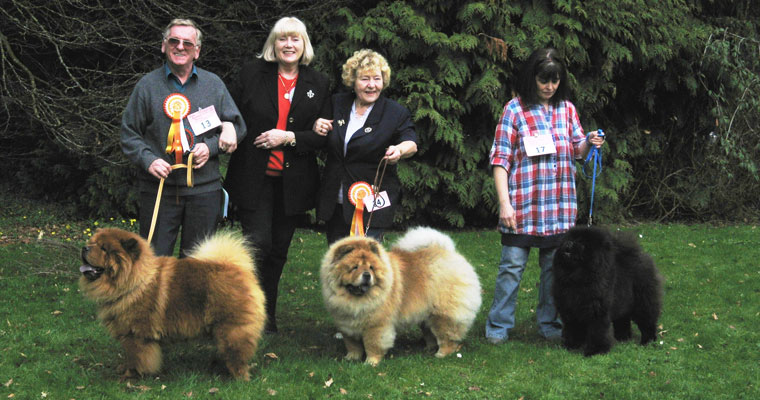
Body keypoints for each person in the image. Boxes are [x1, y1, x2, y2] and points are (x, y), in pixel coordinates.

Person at [485, 47, 606, 344]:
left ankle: (549, 323)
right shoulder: (514, 109)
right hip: (523, 206)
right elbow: (500, 160)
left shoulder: (567, 109)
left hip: (559, 207)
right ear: (531, 77)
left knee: (555, 270)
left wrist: (590, 142)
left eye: (555, 81)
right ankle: (498, 326)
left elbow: (577, 150)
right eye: (544, 80)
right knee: (511, 268)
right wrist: (505, 204)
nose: (549, 86)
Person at [224, 17, 331, 333]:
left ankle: (267, 316)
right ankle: (246, 312)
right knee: (258, 246)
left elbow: (323, 137)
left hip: (293, 183)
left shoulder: (319, 83)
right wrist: (228, 127)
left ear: (304, 45)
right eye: (282, 38)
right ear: (273, 44)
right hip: (253, 178)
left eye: (295, 39)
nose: (288, 45)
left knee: (279, 252)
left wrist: (288, 137)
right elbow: (226, 110)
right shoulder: (251, 74)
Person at [121, 18, 245, 258]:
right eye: (174, 41)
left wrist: (210, 148)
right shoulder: (147, 86)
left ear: (197, 51)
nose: (180, 47)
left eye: (187, 43)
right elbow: (129, 133)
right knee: (153, 264)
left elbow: (236, 126)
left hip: (203, 190)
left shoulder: (214, 85)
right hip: (159, 189)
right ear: (163, 46)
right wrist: (148, 160)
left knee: (197, 267)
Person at [313, 49, 418, 245]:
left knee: (365, 266)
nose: (372, 85)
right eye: (365, 79)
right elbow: (319, 128)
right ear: (352, 81)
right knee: (337, 263)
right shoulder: (336, 103)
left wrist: (400, 150)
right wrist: (316, 124)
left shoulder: (395, 112)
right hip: (335, 199)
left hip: (372, 204)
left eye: (377, 79)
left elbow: (411, 142)